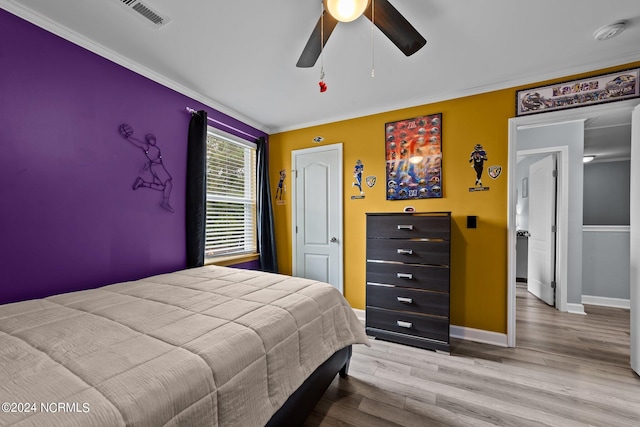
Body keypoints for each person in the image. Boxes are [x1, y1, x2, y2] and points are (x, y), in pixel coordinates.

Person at [119, 123, 174, 213]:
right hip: (157, 167)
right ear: (148, 140)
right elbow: (138, 143)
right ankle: (165, 202)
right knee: (168, 184)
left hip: (155, 167)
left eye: (153, 139)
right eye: (151, 139)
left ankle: (142, 183)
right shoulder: (147, 147)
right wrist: (128, 137)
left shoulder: (155, 148)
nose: (153, 140)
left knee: (162, 187)